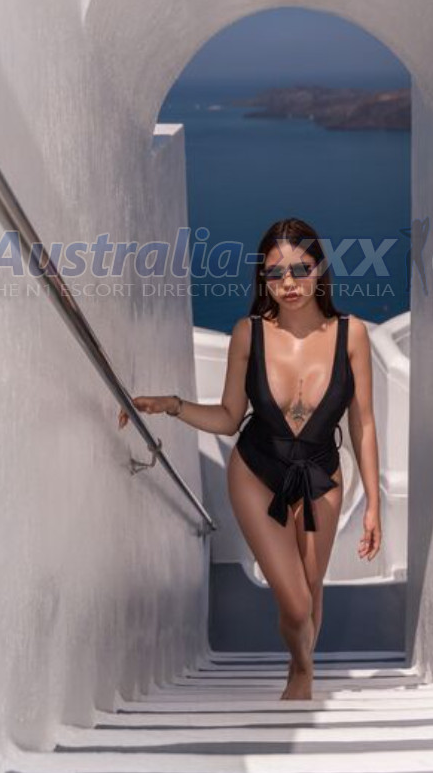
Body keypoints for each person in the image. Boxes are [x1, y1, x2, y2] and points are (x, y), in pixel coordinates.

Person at [118, 217, 382, 701]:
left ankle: (301, 670)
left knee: (311, 586)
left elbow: (363, 423)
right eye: (275, 273)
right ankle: (302, 669)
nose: (288, 283)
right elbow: (227, 417)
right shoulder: (249, 333)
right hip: (256, 472)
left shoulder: (352, 335)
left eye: (300, 269)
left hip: (322, 474)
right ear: (263, 278)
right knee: (295, 602)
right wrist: (172, 405)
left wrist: (373, 506)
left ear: (320, 269)